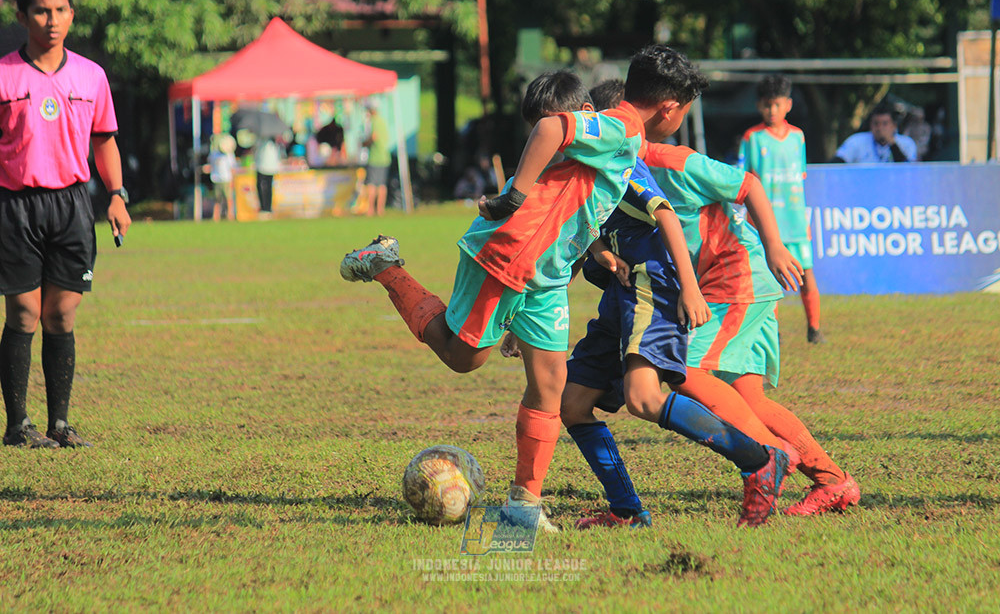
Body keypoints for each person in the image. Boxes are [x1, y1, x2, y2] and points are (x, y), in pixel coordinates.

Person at [341, 47, 703, 531]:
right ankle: (385, 265)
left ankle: (522, 507)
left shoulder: (626, 139)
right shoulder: (621, 128)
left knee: (549, 386)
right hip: (507, 256)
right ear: (670, 108)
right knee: (463, 357)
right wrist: (515, 194)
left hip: (547, 275)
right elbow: (553, 127)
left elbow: (572, 195)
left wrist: (593, 247)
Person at [580, 79, 859, 518]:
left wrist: (773, 245)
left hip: (739, 277)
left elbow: (748, 184)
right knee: (750, 398)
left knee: (685, 368)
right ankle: (833, 481)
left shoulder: (669, 160)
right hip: (726, 281)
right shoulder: (612, 169)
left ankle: (768, 457)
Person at [0, 0, 131, 448]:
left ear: (71, 15)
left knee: (62, 316)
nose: (51, 20)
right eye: (40, 10)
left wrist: (116, 194)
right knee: (22, 313)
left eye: (59, 10)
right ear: (22, 16)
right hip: (15, 205)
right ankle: (17, 426)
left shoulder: (91, 76)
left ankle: (59, 424)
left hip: (73, 205)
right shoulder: (4, 75)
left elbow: (105, 141)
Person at [739, 74, 824, 344]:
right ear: (759, 106)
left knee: (806, 273)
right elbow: (744, 179)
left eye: (776, 104)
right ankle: (771, 331)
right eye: (766, 105)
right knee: (768, 279)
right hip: (765, 225)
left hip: (795, 222)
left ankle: (814, 328)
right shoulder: (753, 138)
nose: (771, 110)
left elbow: (800, 176)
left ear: (788, 105)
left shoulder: (798, 137)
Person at [833, 102, 918, 163]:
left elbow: (908, 171)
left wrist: (892, 144)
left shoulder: (907, 143)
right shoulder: (856, 140)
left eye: (885, 124)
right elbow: (837, 162)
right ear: (871, 126)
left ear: (894, 126)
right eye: (876, 124)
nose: (880, 128)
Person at [362, 103, 391, 217]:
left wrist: (365, 143)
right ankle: (380, 210)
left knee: (372, 184)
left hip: (375, 157)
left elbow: (374, 136)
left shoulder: (374, 121)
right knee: (382, 184)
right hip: (385, 157)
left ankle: (371, 210)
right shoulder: (383, 121)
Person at [205, 133, 237, 221]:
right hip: (216, 178)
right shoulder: (214, 154)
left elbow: (232, 168)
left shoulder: (229, 155)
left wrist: (233, 180)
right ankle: (216, 216)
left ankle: (230, 215)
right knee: (217, 198)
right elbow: (210, 165)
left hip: (226, 179)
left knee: (228, 198)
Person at [254, 136, 281, 217]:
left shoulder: (265, 142)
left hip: (264, 166)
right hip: (267, 167)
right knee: (266, 188)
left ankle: (266, 208)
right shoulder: (272, 143)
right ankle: (266, 208)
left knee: (265, 188)